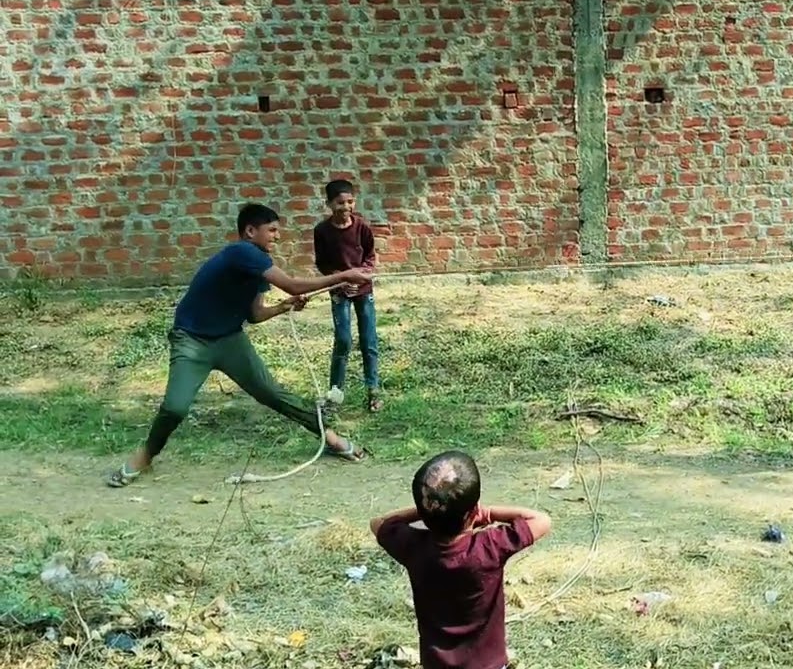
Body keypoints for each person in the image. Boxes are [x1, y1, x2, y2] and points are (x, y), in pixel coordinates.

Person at [106, 203, 373, 488]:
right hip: (192, 341)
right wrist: (345, 275)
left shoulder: (257, 267)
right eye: (271, 230)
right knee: (174, 407)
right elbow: (294, 285)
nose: (277, 237)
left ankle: (330, 438)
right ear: (249, 231)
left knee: (273, 394)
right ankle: (146, 455)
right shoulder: (242, 252)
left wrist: (283, 308)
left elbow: (255, 315)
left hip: (230, 340)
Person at [370, 450, 552, 669]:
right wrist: (489, 513)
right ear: (473, 511)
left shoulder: (413, 546)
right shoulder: (489, 547)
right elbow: (541, 520)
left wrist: (425, 509)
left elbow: (378, 522)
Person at [313, 178, 383, 413]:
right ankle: (335, 395)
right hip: (339, 291)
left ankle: (373, 391)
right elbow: (322, 263)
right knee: (343, 341)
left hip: (362, 290)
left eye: (350, 201)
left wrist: (361, 277)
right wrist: (341, 280)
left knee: (369, 340)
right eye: (340, 202)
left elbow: (370, 258)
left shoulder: (362, 227)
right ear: (329, 204)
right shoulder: (322, 231)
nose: (346, 207)